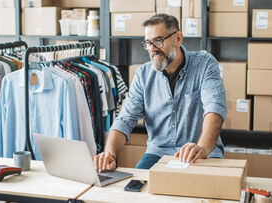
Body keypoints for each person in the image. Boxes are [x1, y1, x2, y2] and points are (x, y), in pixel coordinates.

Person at [93, 14, 226, 171]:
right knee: (135, 190)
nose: (152, 49)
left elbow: (214, 108)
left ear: (178, 38)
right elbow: (125, 119)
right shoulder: (143, 74)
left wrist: (202, 148)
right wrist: (109, 154)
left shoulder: (205, 64)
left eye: (158, 41)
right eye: (148, 43)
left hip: (199, 153)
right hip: (157, 155)